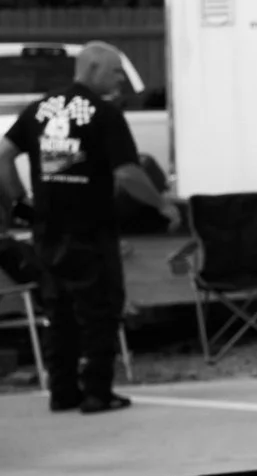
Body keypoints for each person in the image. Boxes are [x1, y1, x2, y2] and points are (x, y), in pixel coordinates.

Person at [0, 42, 176, 414]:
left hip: (47, 231)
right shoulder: (103, 114)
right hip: (90, 230)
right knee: (99, 311)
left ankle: (62, 392)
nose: (119, 82)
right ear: (93, 68)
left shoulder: (39, 109)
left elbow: (4, 154)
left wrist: (19, 201)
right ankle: (98, 392)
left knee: (58, 313)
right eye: (114, 72)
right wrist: (162, 204)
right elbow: (128, 173)